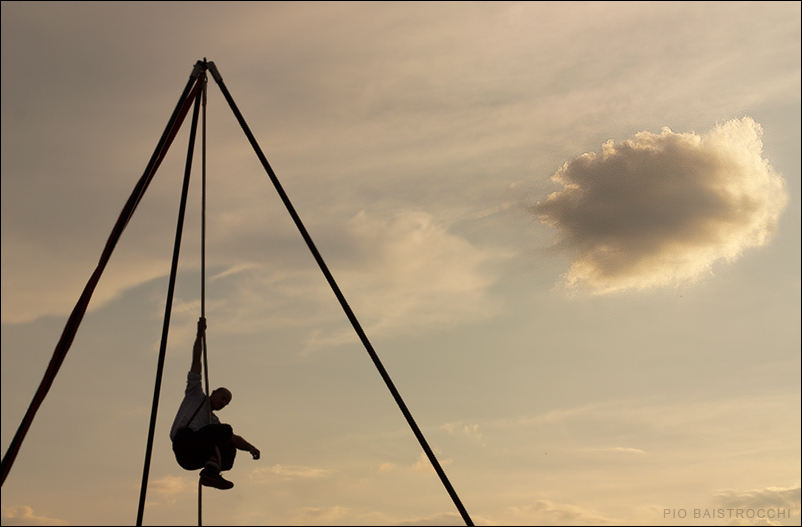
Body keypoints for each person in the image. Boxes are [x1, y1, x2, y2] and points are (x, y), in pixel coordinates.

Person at [170, 317, 260, 490]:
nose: (224, 402)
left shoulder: (213, 422)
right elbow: (196, 361)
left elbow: (233, 438)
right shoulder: (195, 395)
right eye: (223, 397)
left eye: (226, 402)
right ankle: (210, 472)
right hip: (184, 444)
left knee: (229, 449)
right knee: (225, 430)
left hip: (193, 458)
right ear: (213, 393)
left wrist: (250, 448)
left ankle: (210, 474)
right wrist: (199, 335)